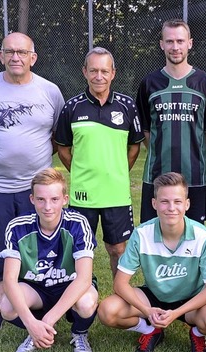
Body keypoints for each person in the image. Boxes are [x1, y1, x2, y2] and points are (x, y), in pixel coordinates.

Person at [0, 32, 65, 331]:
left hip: (38, 190)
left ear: (33, 57)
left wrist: (37, 158)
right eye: (10, 52)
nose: (16, 57)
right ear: (1, 55)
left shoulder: (49, 91)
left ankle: (35, 301)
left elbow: (59, 137)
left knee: (39, 246)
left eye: (22, 52)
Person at [97, 172, 206, 352]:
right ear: (154, 204)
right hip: (154, 298)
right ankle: (150, 329)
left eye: (177, 201)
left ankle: (197, 333)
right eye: (164, 201)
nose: (171, 208)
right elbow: (120, 284)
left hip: (190, 301)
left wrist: (176, 314)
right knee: (107, 311)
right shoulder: (142, 234)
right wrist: (147, 311)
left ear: (187, 204)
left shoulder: (202, 237)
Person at [55, 47, 144, 278]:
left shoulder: (127, 106)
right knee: (81, 249)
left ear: (113, 73)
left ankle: (120, 295)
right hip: (83, 195)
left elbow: (134, 146)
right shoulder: (72, 107)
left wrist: (118, 171)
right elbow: (63, 149)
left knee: (118, 249)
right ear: (84, 72)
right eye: (93, 70)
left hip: (116, 193)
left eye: (104, 71)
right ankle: (83, 293)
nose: (99, 76)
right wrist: (82, 171)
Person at [0, 168, 99, 352]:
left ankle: (79, 333)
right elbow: (9, 281)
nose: (48, 207)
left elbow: (84, 278)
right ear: (32, 199)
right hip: (37, 289)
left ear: (65, 199)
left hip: (70, 284)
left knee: (86, 303)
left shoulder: (78, 223)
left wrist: (48, 319)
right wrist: (30, 323)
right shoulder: (17, 226)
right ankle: (35, 330)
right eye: (41, 199)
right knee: (6, 307)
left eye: (54, 199)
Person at [137, 19, 206, 225]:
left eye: (180, 41)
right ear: (161, 44)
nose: (175, 47)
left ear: (190, 43)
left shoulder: (204, 82)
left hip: (195, 176)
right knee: (152, 235)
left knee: (194, 235)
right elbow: (146, 131)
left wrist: (194, 154)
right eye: (169, 41)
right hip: (156, 174)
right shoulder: (148, 83)